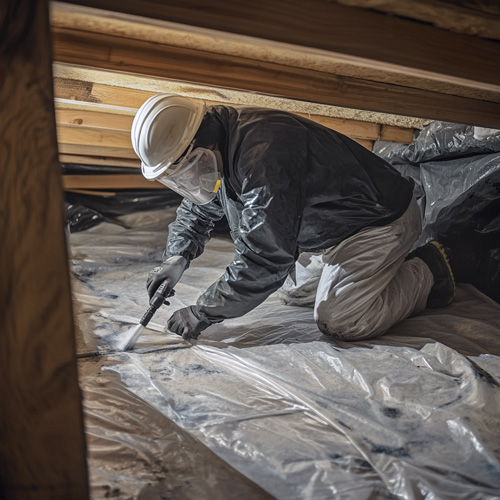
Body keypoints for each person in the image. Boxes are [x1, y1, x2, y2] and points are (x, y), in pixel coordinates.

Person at [130, 94, 455, 341]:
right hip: (337, 228)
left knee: (340, 319)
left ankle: (426, 270)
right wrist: (177, 255)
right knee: (292, 293)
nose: (188, 178)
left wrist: (203, 312)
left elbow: (265, 259)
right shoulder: (224, 142)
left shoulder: (264, 157)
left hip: (379, 222)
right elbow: (202, 201)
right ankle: (377, 271)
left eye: (185, 169)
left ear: (201, 146)